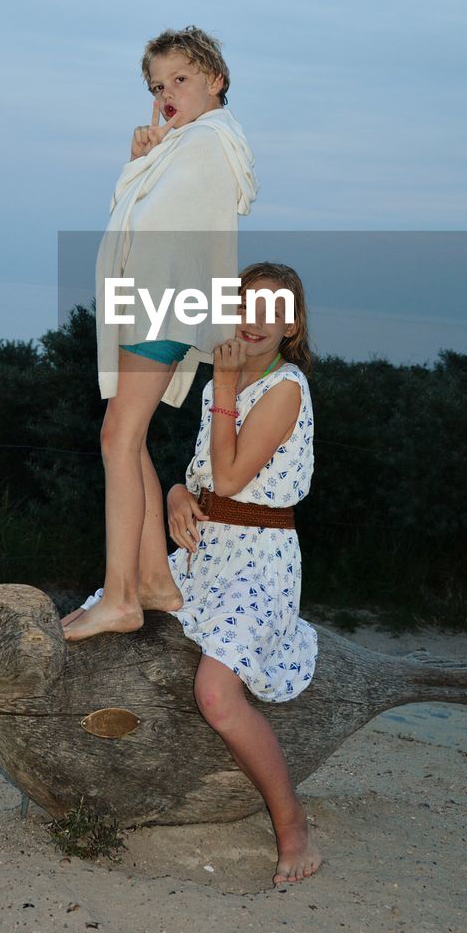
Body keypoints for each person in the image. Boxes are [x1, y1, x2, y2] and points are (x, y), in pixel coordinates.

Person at [67, 262, 322, 887]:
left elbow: (235, 479)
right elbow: (209, 473)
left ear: (291, 326)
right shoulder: (218, 387)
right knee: (135, 462)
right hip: (208, 546)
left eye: (273, 308)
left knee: (215, 693)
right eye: (246, 304)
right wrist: (182, 491)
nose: (256, 319)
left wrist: (228, 382)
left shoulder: (284, 387)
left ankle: (292, 825)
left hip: (259, 562)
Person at [62, 27, 258, 642]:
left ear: (215, 79)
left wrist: (156, 154)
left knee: (119, 434)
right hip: (154, 299)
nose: (166, 94)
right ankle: (153, 582)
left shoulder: (209, 141)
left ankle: (121, 596)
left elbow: (154, 227)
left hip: (164, 300)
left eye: (180, 79)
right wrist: (146, 157)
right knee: (128, 433)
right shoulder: (188, 142)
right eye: (156, 86)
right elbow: (140, 214)